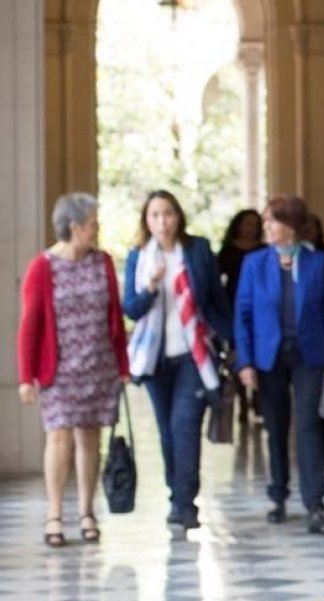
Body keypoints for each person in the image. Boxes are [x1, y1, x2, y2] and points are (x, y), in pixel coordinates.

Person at [17, 192, 129, 547]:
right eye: (92, 223)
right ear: (74, 226)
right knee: (59, 436)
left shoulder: (103, 262)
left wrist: (122, 365)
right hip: (59, 369)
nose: (96, 228)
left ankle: (86, 512)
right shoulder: (43, 267)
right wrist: (26, 376)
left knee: (89, 437)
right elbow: (30, 325)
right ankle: (54, 514)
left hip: (98, 366)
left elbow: (115, 316)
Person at [123, 190, 232, 532]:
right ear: (146, 221)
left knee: (185, 426)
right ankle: (176, 496)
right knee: (167, 431)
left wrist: (231, 343)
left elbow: (216, 300)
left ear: (178, 216)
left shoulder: (197, 251)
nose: (162, 222)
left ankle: (187, 503)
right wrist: (151, 288)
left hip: (193, 355)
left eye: (167, 213)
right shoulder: (138, 257)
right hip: (155, 359)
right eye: (154, 215)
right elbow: (131, 309)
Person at [234, 195, 324, 534]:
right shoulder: (254, 263)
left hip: (309, 355)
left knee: (308, 427)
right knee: (276, 427)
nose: (265, 227)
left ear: (291, 226)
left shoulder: (319, 263)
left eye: (272, 221)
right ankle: (278, 495)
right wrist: (245, 362)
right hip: (269, 358)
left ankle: (315, 503)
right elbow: (243, 315)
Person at [218, 209, 264, 423]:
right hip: (233, 306)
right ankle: (243, 403)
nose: (250, 228)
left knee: (259, 354)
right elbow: (217, 279)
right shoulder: (228, 250)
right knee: (238, 355)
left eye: (255, 224)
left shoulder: (264, 250)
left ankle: (258, 400)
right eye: (247, 223)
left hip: (259, 308)